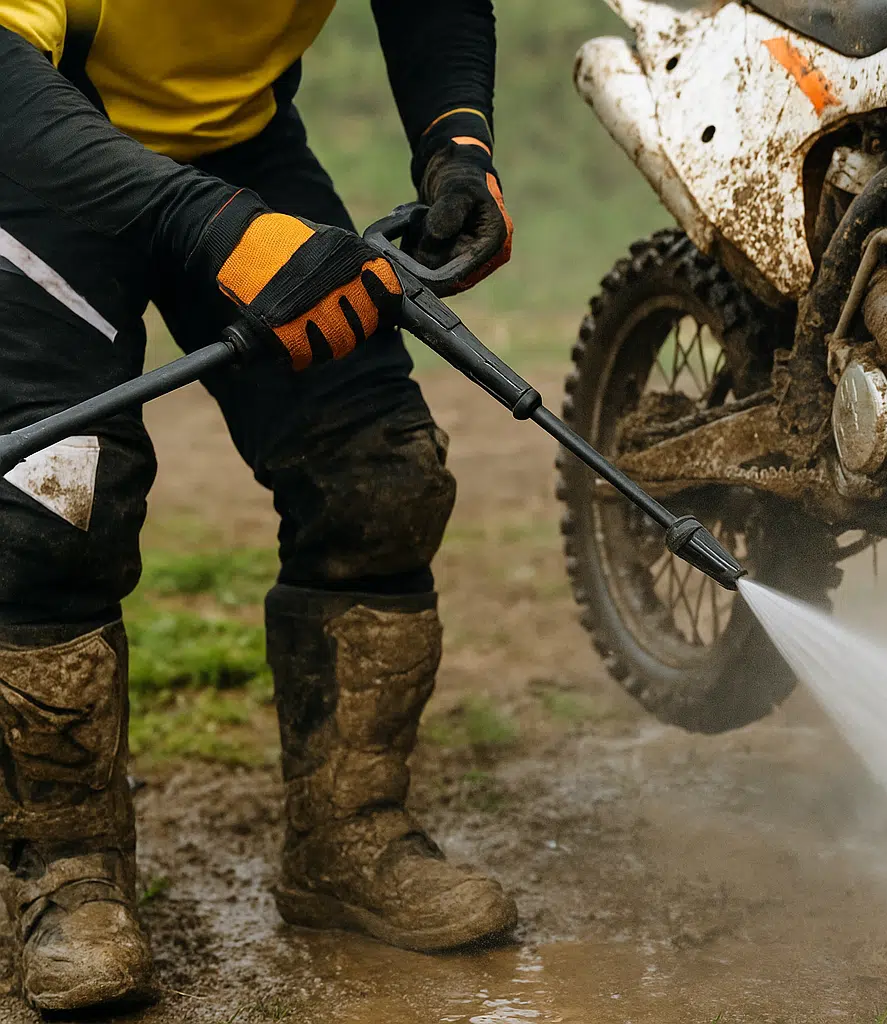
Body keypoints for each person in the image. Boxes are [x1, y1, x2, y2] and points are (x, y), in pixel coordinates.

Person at [0, 0, 516, 1011]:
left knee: (379, 477)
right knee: (58, 502)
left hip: (240, 150)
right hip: (40, 156)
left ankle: (347, 839)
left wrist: (458, 144)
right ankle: (64, 874)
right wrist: (212, 225)